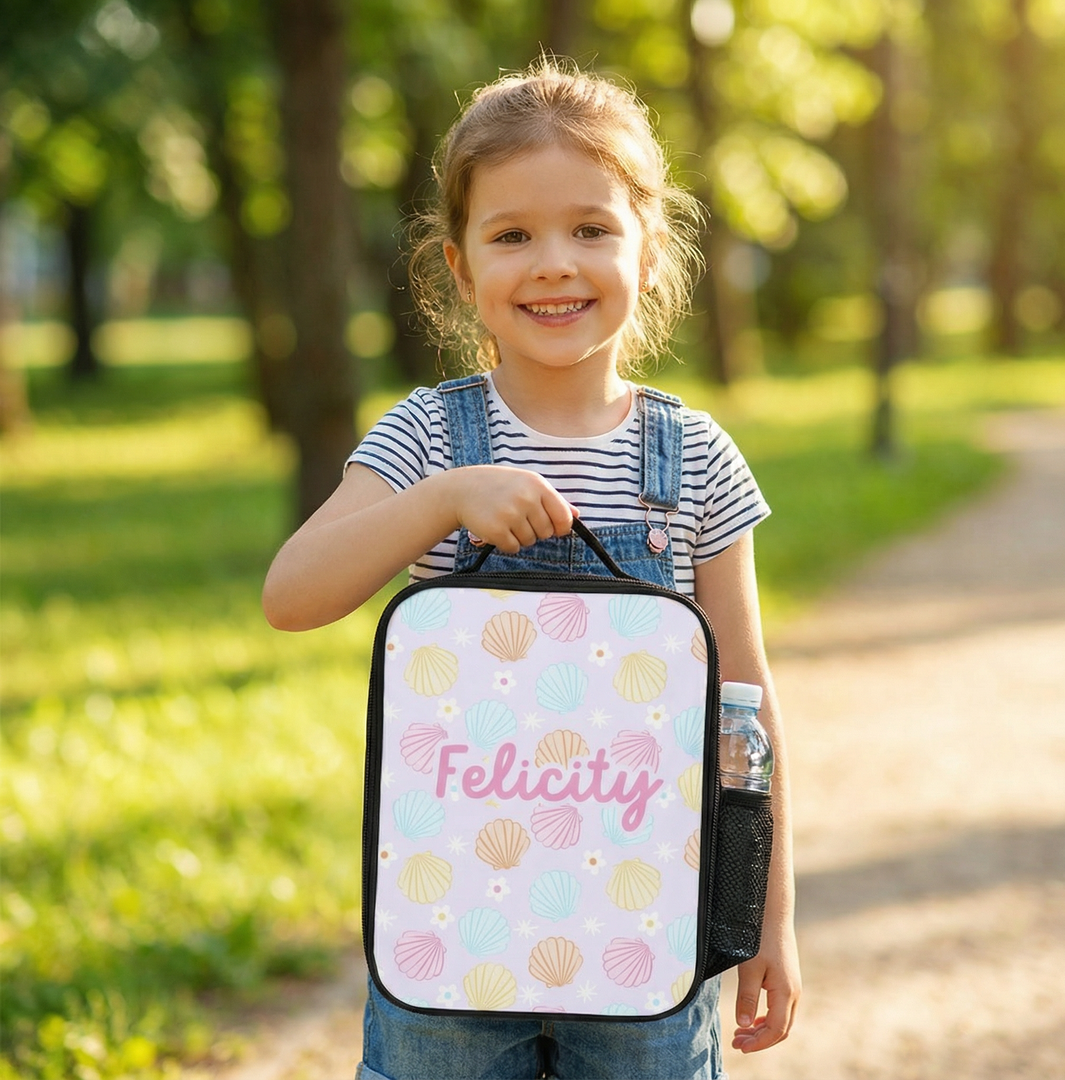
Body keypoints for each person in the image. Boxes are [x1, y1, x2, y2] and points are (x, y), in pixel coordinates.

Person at [263, 58, 800, 1080]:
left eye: (591, 228)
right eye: (512, 235)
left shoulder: (695, 459)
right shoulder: (427, 437)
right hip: (450, 936)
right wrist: (440, 499)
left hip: (649, 931)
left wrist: (767, 914)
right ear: (461, 269)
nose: (555, 263)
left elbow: (746, 705)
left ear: (648, 249)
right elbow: (290, 596)